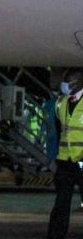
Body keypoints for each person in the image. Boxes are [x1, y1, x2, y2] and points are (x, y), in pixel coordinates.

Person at [47, 68, 83, 238]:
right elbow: (59, 129)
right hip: (65, 162)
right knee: (61, 205)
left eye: (68, 82)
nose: (64, 85)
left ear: (79, 83)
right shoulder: (60, 103)